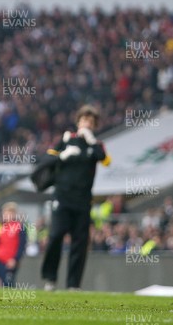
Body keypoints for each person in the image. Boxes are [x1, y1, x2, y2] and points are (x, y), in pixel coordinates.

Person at [40, 105, 111, 291]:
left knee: (79, 243)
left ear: (94, 126)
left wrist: (92, 141)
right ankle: (50, 278)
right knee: (55, 236)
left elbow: (105, 160)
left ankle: (73, 284)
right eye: (84, 120)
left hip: (83, 200)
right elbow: (46, 161)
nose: (87, 124)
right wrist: (62, 155)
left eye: (91, 122)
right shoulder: (66, 140)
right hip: (62, 197)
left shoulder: (96, 144)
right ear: (78, 121)